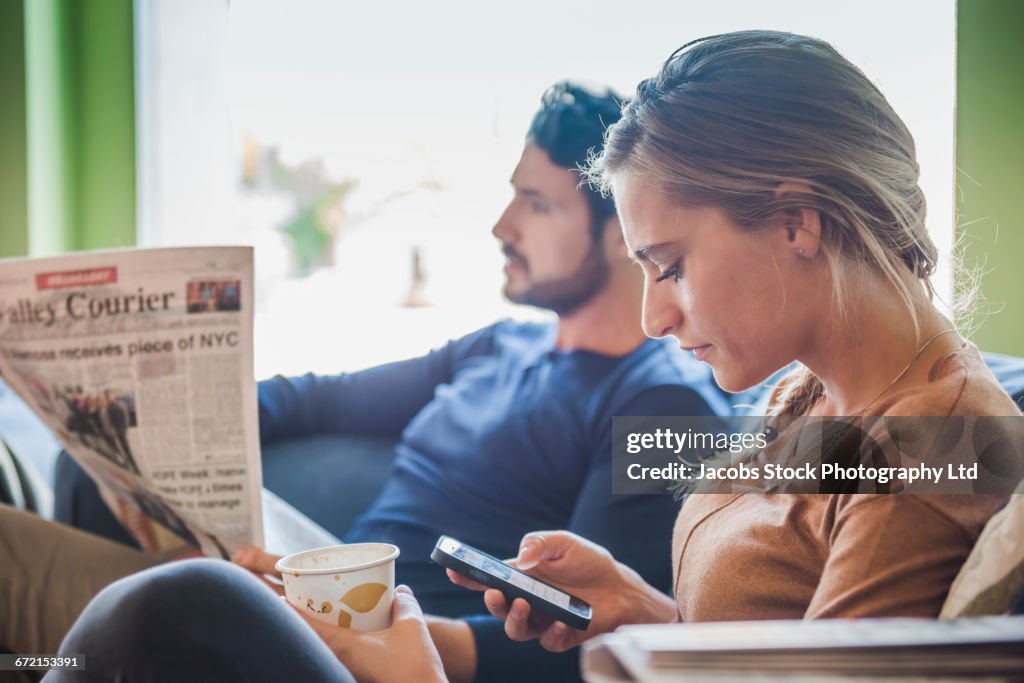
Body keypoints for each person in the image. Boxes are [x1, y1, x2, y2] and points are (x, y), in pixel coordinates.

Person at [43, 30, 1023, 683]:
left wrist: (432, 669)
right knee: (161, 598)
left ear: (797, 219)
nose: (652, 313)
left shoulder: (939, 440)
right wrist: (642, 612)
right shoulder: (815, 399)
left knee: (175, 608)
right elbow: (777, 648)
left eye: (671, 265)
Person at [1, 81, 727, 683]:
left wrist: (368, 637)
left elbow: (590, 646)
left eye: (536, 205)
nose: (502, 225)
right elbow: (315, 396)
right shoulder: (497, 346)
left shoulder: (661, 402)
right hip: (311, 597)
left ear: (619, 231)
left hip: (378, 650)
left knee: (180, 600)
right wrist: (138, 444)